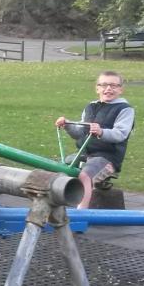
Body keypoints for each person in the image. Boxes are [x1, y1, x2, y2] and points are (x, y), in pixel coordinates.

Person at [55, 71, 135, 209]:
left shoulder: (125, 109)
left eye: (113, 85)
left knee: (85, 176)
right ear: (97, 88)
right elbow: (80, 131)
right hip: (86, 153)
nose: (108, 88)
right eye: (103, 85)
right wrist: (67, 125)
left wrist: (101, 132)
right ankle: (57, 206)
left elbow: (120, 133)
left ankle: (81, 213)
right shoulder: (91, 107)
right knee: (60, 169)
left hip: (107, 156)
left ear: (120, 89)